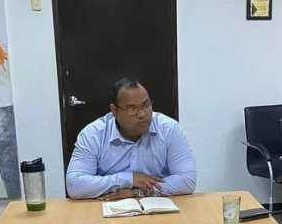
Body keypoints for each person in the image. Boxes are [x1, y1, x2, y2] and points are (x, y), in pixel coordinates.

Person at [65, 77, 197, 200]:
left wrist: (137, 192)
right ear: (114, 111)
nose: (142, 114)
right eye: (132, 108)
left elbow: (187, 180)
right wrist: (129, 179)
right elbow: (74, 185)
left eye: (146, 105)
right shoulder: (93, 134)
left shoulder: (169, 129)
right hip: (108, 205)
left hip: (157, 205)